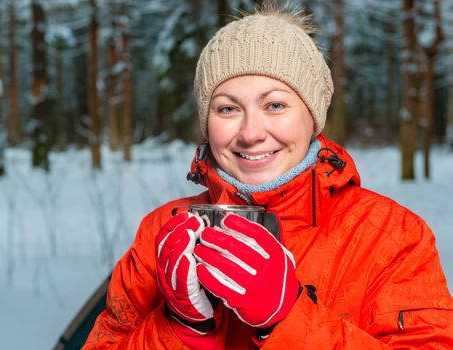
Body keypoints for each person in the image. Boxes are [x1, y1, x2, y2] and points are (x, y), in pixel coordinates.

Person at [83, 2, 453, 349]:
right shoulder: (160, 234)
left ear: (312, 116)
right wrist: (181, 329)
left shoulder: (392, 238)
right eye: (227, 108)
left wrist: (290, 319)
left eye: (275, 105)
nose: (250, 133)